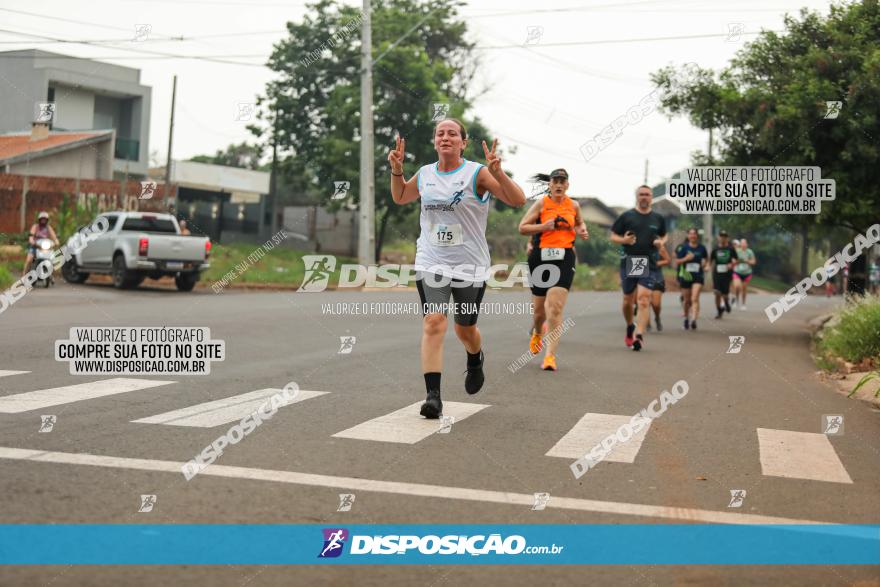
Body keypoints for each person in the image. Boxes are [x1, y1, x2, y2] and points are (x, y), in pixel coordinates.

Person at [388, 119, 526, 419]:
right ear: (435, 142)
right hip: (431, 260)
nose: (446, 137)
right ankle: (433, 396)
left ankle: (475, 357)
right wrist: (397, 170)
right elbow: (400, 197)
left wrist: (498, 172)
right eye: (440, 134)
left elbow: (517, 200)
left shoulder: (477, 173)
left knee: (465, 328)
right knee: (434, 322)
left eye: (453, 134)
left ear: (463, 142)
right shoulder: (425, 174)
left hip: (470, 265)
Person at [518, 169, 589, 371]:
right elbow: (522, 227)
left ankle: (549, 356)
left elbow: (580, 223)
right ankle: (537, 332)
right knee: (539, 312)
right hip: (540, 257)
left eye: (562, 181)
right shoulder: (541, 204)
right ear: (549, 184)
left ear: (567, 185)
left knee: (555, 308)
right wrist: (544, 227)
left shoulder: (574, 205)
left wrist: (582, 229)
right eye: (555, 181)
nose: (558, 185)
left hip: (565, 257)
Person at [610, 185, 667, 351]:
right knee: (628, 301)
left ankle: (639, 335)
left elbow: (664, 234)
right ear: (636, 196)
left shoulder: (657, 218)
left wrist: (661, 242)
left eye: (647, 195)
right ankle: (630, 325)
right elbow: (613, 236)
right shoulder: (627, 216)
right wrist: (624, 241)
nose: (644, 197)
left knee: (643, 299)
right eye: (641, 194)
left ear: (651, 197)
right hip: (630, 261)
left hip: (648, 261)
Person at [675, 228, 708, 330]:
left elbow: (706, 260)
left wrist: (704, 264)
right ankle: (686, 318)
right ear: (688, 236)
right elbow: (677, 261)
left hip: (698, 276)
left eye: (694, 234)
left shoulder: (702, 248)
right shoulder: (683, 248)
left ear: (697, 236)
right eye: (691, 234)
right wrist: (686, 259)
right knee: (687, 301)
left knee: (694, 298)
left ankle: (694, 320)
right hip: (686, 276)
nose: (693, 236)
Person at [710, 230, 738, 319]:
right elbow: (711, 261)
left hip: (727, 274)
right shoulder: (715, 249)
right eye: (721, 236)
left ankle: (726, 302)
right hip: (717, 273)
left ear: (727, 238)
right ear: (718, 237)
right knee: (717, 292)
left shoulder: (731, 249)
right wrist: (707, 268)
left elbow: (736, 260)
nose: (723, 238)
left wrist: (732, 264)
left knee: (725, 293)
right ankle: (719, 311)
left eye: (724, 236)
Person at [22, 211, 59, 277]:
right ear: (39, 220)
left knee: (53, 259)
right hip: (35, 246)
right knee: (29, 259)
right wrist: (32, 241)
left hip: (45, 248)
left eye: (45, 219)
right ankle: (24, 275)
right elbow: (31, 236)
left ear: (47, 220)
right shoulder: (35, 227)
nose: (43, 221)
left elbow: (54, 237)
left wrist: (56, 242)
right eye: (42, 219)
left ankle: (51, 275)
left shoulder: (48, 228)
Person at [650, 238, 671, 331]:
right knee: (645, 302)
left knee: (656, 304)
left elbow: (668, 260)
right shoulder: (640, 247)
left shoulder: (660, 248)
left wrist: (656, 263)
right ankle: (646, 323)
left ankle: (657, 317)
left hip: (657, 278)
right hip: (643, 277)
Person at [732, 238, 756, 310]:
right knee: (737, 286)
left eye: (744, 243)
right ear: (740, 245)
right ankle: (736, 301)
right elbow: (733, 260)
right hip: (737, 272)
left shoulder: (750, 252)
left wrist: (747, 261)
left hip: (747, 273)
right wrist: (737, 261)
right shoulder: (737, 251)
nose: (743, 245)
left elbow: (753, 262)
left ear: (746, 244)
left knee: (744, 289)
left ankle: (743, 304)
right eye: (742, 243)